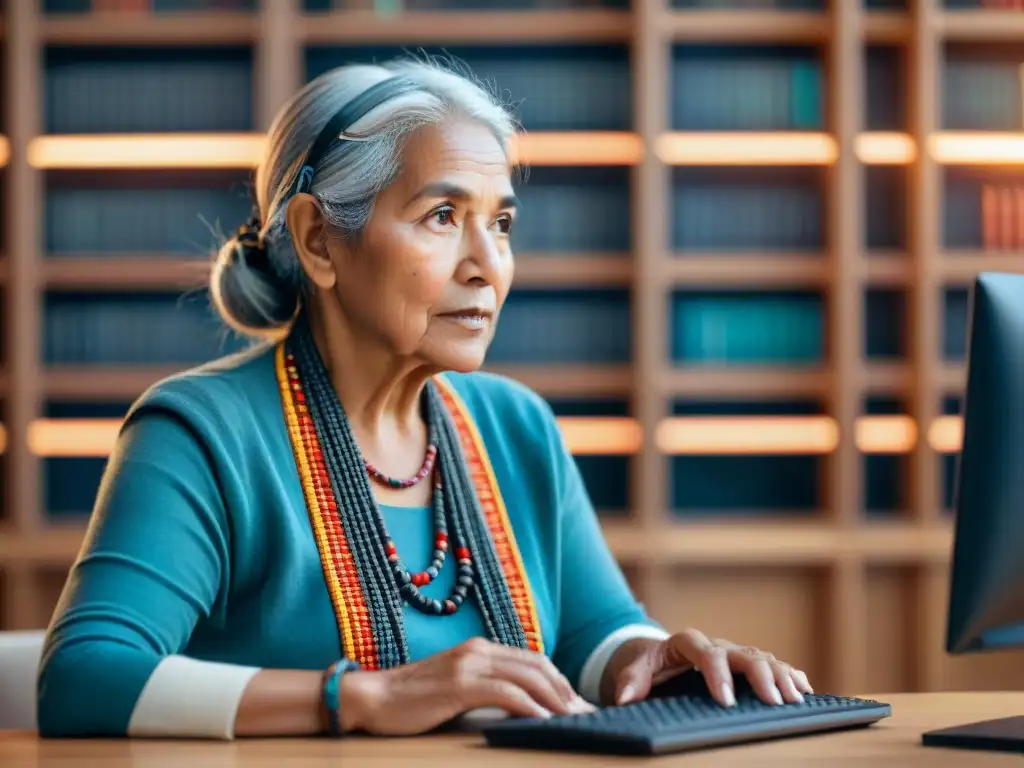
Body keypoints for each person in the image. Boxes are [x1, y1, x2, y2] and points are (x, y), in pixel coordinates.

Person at [35, 56, 814, 740]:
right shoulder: (200, 435)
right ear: (317, 241)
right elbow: (83, 677)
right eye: (443, 217)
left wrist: (651, 659)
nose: (487, 265)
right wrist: (366, 697)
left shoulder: (517, 427)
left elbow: (593, 632)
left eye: (500, 223)